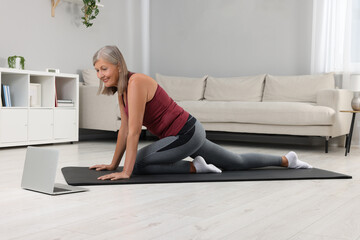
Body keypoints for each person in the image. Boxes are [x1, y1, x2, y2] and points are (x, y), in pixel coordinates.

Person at [89, 45, 312, 181]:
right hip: (186, 133)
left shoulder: (136, 82)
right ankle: (286, 160)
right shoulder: (121, 91)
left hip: (186, 133)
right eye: (97, 70)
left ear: (118, 65)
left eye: (104, 68)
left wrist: (125, 171)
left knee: (137, 164)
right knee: (235, 161)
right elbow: (124, 129)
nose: (100, 74)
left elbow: (135, 132)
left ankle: (196, 167)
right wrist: (112, 165)